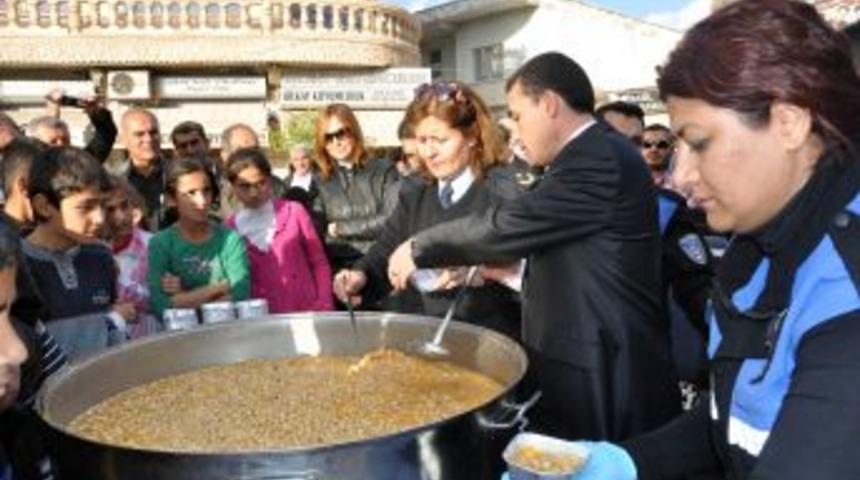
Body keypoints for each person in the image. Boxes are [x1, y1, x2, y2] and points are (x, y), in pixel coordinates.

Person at [513, 2, 860, 479]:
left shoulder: (846, 292)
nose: (683, 175)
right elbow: (732, 420)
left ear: (789, 123)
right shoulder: (757, 252)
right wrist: (626, 463)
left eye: (698, 143)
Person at [388, 52, 680, 442]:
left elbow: (511, 224)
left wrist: (420, 246)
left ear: (549, 104)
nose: (512, 127)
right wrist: (501, 273)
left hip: (607, 369)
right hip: (589, 362)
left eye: (517, 114)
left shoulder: (598, 158)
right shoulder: (585, 156)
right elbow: (581, 260)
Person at [333, 82, 521, 338]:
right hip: (420, 333)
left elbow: (519, 265)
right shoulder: (416, 189)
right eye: (422, 140)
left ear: (472, 137)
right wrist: (360, 275)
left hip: (486, 339)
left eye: (440, 140)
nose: (429, 152)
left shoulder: (503, 190)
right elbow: (386, 248)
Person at [21, 147, 124, 359]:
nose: (99, 218)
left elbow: (106, 327)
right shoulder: (18, 266)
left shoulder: (101, 258)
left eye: (103, 206)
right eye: (85, 207)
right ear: (44, 206)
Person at [224, 148, 333, 313]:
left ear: (269, 180)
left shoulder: (294, 211)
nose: (254, 193)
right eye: (244, 186)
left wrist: (324, 303)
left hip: (307, 314)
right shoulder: (229, 230)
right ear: (232, 187)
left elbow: (318, 261)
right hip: (260, 323)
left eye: (260, 183)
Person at [147, 157, 250, 319]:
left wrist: (183, 297)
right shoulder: (160, 243)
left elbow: (241, 293)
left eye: (206, 190)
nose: (202, 201)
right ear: (171, 199)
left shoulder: (230, 238)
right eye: (191, 193)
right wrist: (220, 287)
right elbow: (161, 306)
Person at [312, 103, 400, 274]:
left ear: (353, 131)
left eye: (341, 134)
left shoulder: (385, 170)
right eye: (328, 138)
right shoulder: (319, 181)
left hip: (381, 265)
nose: (336, 142)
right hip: (339, 271)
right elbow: (318, 231)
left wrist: (340, 229)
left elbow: (392, 220)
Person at [104, 175, 159, 339]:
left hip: (147, 344)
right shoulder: (89, 252)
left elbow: (161, 300)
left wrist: (119, 280)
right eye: (110, 209)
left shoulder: (153, 245)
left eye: (124, 206)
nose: (121, 217)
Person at [117, 108, 167, 231]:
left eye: (153, 132)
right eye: (139, 134)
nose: (149, 139)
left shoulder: (178, 176)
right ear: (123, 139)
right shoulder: (114, 181)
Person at [40, 88, 118, 163]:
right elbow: (47, 130)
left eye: (65, 140)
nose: (60, 144)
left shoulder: (81, 164)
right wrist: (52, 105)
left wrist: (95, 111)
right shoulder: (33, 164)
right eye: (53, 141)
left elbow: (106, 135)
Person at [639, 123, 675, 188]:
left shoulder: (683, 182)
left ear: (672, 149)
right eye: (647, 145)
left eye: (662, 145)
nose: (654, 149)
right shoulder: (628, 181)